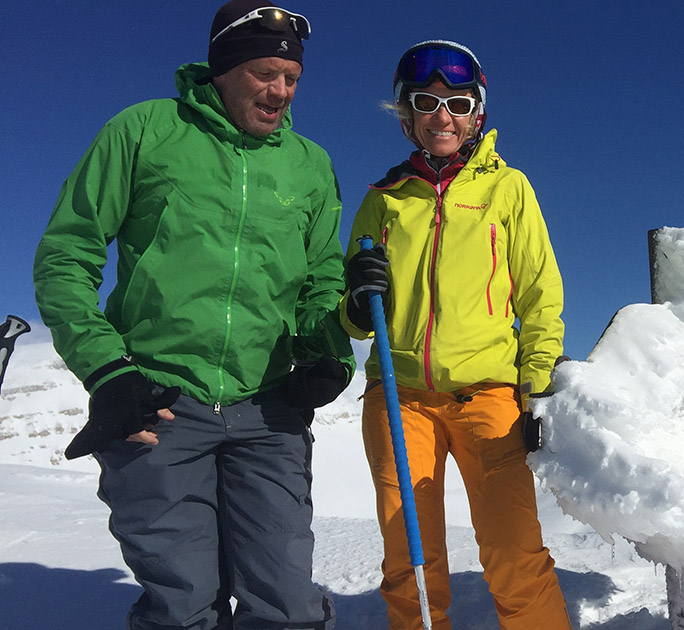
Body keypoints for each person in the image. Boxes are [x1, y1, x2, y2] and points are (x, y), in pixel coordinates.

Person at [31, 2, 352, 628]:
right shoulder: (145, 130)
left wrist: (326, 353)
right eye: (265, 73)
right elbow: (67, 256)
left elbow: (321, 281)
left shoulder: (310, 165)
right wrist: (109, 372)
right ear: (224, 69)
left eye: (291, 79)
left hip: (268, 409)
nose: (280, 90)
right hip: (160, 402)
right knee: (181, 608)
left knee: (287, 605)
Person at [341, 40, 572, 629]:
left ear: (477, 114)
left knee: (512, 551)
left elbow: (539, 291)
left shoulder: (508, 188)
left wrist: (538, 383)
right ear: (406, 114)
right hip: (400, 398)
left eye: (458, 102)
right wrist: (357, 307)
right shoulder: (382, 200)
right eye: (426, 102)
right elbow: (348, 312)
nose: (442, 115)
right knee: (410, 562)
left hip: (488, 393)